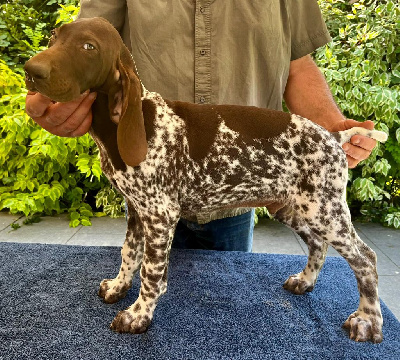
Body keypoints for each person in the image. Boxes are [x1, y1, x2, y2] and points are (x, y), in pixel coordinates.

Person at [25, 0, 377, 252]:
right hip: (149, 172)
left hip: (238, 185)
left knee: (224, 311)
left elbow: (297, 63)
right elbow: (82, 47)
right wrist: (49, 95)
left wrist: (331, 127)